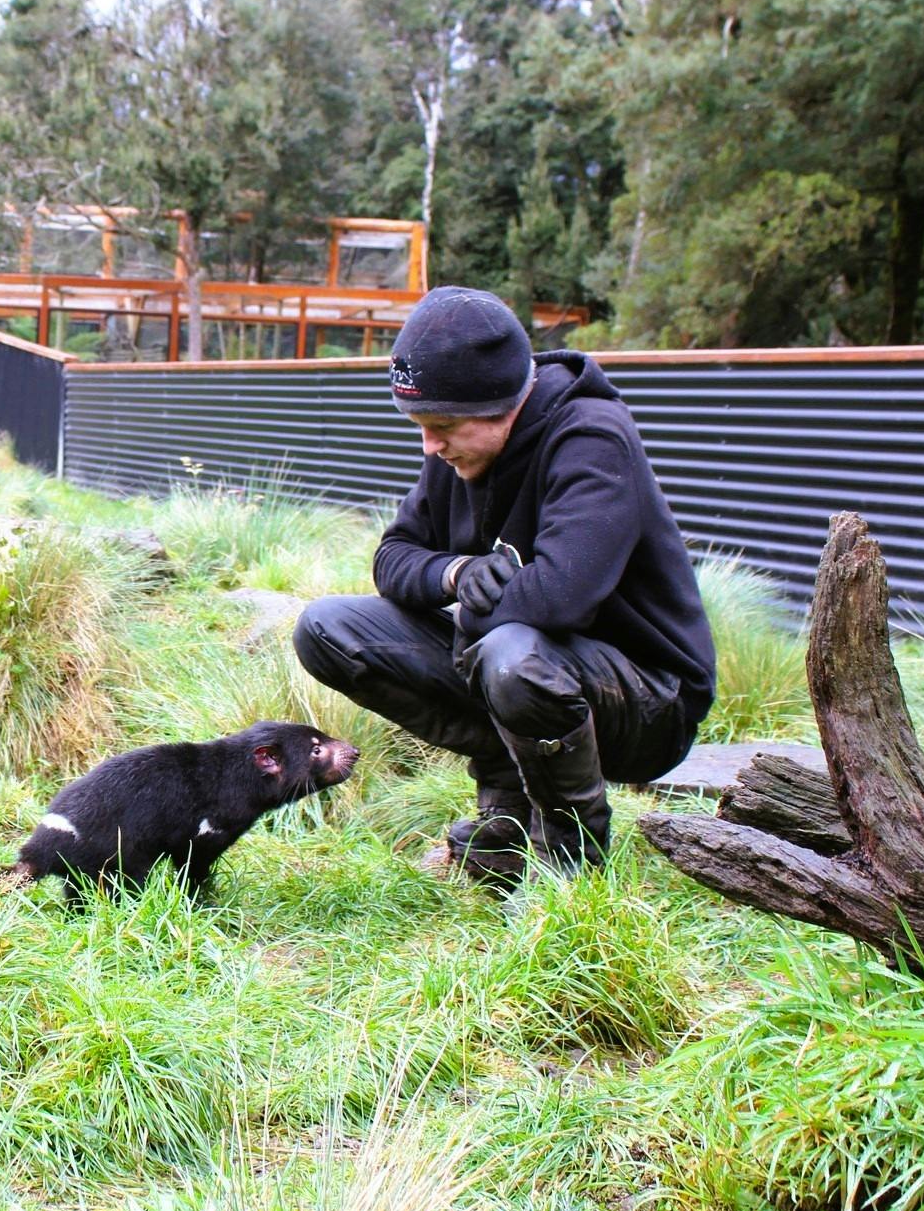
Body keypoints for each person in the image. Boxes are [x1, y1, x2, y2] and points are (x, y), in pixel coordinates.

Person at [292, 287, 716, 888]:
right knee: (329, 630)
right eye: (420, 426)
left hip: (648, 702)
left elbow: (561, 596)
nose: (429, 445)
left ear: (501, 406)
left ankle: (570, 857)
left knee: (509, 655)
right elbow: (393, 559)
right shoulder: (456, 450)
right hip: (518, 666)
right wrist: (456, 574)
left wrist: (466, 618)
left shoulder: (592, 438)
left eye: (441, 426)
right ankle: (510, 821)